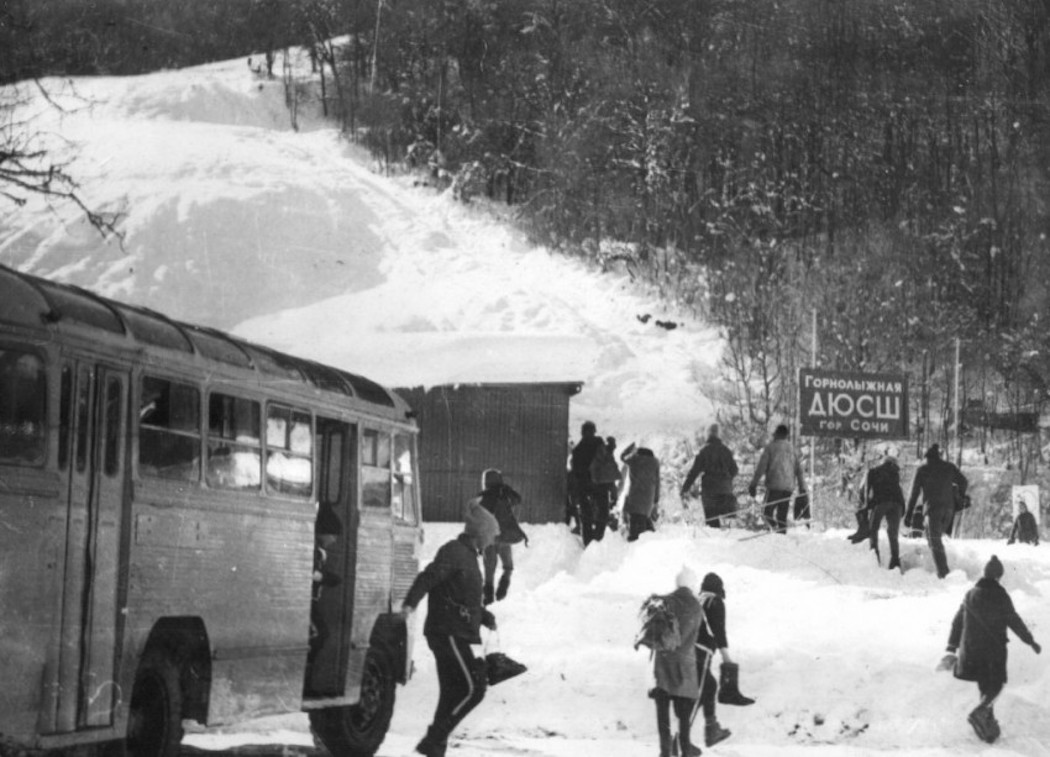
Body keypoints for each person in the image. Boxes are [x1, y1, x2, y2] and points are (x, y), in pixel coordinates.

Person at [401, 501, 500, 757]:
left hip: (458, 631)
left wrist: (483, 616)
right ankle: (434, 739)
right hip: (447, 632)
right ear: (480, 533)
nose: (491, 542)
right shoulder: (454, 551)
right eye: (490, 536)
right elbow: (429, 577)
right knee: (473, 688)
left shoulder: (468, 555)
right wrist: (410, 603)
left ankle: (436, 749)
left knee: (452, 692)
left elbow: (461, 595)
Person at [939, 555, 1041, 743]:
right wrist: (1030, 641)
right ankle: (980, 712)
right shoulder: (1001, 595)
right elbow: (1014, 621)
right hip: (992, 651)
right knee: (996, 684)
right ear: (998, 576)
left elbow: (957, 622)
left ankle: (988, 727)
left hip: (970, 650)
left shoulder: (970, 594)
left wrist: (951, 647)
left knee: (984, 685)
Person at [651, 566, 704, 757]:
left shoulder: (665, 602)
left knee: (663, 714)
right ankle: (685, 749)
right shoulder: (696, 606)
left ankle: (665, 752)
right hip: (685, 667)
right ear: (691, 584)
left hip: (663, 665)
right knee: (683, 715)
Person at [690, 572, 739, 749]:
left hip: (685, 652)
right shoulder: (714, 601)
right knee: (696, 694)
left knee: (709, 686)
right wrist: (727, 657)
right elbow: (718, 631)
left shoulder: (697, 600)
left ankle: (712, 730)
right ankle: (679, 742)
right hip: (699, 652)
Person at [905, 444, 968, 578]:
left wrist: (909, 515)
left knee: (934, 541)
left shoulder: (922, 469)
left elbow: (914, 494)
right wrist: (958, 495)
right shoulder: (949, 467)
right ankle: (940, 569)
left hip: (932, 510)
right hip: (949, 510)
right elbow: (964, 482)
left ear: (926, 457)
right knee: (933, 538)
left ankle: (943, 574)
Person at [477, 468, 529, 604]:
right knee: (508, 566)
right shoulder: (505, 494)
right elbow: (518, 499)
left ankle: (488, 597)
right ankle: (503, 587)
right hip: (505, 537)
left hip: (490, 539)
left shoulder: (483, 497)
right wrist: (505, 488)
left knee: (489, 569)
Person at [748, 424, 806, 534]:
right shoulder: (792, 449)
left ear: (777, 434)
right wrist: (802, 488)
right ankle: (782, 536)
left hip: (774, 486)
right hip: (788, 488)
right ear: (786, 435)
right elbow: (799, 470)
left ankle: (775, 529)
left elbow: (761, 467)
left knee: (766, 513)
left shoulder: (771, 448)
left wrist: (753, 484)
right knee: (782, 516)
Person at [680, 424, 739, 527]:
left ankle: (715, 539)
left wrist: (685, 489)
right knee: (729, 524)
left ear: (707, 435)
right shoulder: (726, 451)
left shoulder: (704, 451)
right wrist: (726, 480)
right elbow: (735, 470)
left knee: (713, 524)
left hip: (709, 493)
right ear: (718, 434)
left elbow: (693, 473)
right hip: (726, 491)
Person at [861, 445, 907, 570]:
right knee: (893, 532)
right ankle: (895, 561)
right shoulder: (896, 473)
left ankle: (875, 556)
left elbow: (863, 491)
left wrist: (866, 506)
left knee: (873, 528)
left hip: (881, 502)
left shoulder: (873, 471)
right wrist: (903, 508)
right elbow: (899, 491)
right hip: (897, 504)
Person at [568, 421, 604, 539]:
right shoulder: (599, 443)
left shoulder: (577, 450)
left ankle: (588, 542)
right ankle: (598, 539)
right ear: (594, 431)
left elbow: (575, 472)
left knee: (586, 516)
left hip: (584, 487)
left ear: (582, 433)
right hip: (599, 485)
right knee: (602, 514)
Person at [619, 443, 661, 541]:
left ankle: (634, 545)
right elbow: (658, 482)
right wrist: (656, 500)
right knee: (644, 522)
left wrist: (630, 448)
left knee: (636, 530)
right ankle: (652, 544)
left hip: (634, 498)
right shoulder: (655, 462)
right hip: (648, 500)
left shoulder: (634, 460)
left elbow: (622, 457)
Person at [588, 436, 622, 543]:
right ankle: (597, 537)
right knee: (602, 513)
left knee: (597, 511)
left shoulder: (595, 453)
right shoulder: (607, 454)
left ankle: (595, 535)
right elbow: (611, 484)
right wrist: (614, 497)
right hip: (603, 485)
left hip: (595, 484)